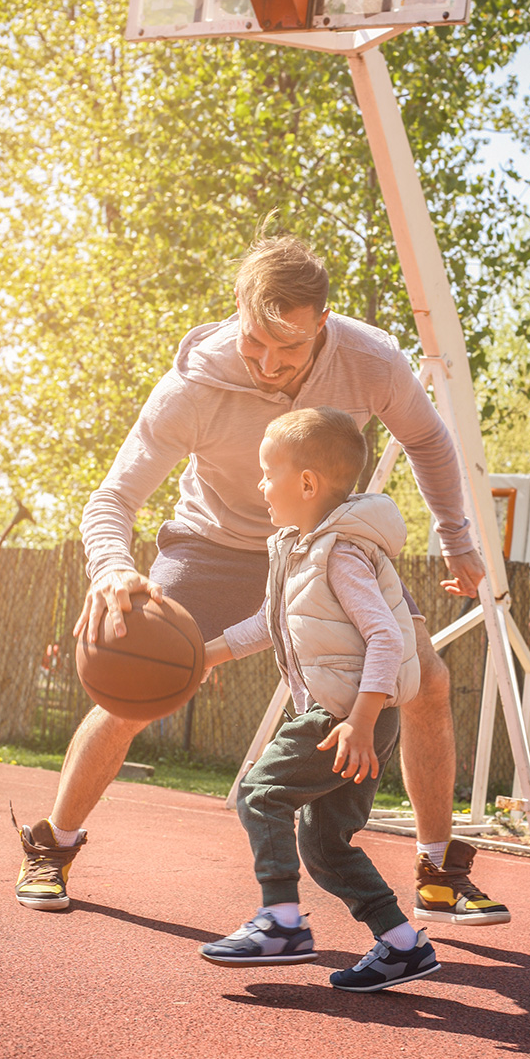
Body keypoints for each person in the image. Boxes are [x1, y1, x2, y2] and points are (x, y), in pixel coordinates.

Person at [13, 232, 510, 929]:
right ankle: (52, 845)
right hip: (213, 543)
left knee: (424, 679)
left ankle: (437, 870)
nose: (270, 366)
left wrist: (457, 537)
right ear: (238, 313)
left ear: (324, 327)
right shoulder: (192, 385)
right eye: (255, 343)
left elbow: (428, 439)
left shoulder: (371, 361)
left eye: (292, 349)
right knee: (136, 685)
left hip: (320, 542)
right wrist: (113, 568)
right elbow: (112, 500)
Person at [199, 408, 440, 992]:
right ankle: (401, 942)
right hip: (356, 717)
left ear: (307, 483)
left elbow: (386, 633)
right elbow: (268, 623)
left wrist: (358, 720)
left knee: (260, 792)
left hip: (345, 715)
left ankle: (280, 922)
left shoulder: (342, 553)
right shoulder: (297, 550)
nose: (260, 484)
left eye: (266, 472)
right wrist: (203, 655)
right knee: (326, 843)